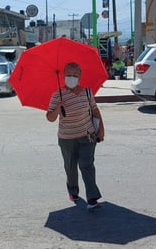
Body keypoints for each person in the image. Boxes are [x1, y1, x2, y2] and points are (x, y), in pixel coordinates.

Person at [46, 62, 105, 211]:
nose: (71, 78)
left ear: (80, 77)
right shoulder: (57, 95)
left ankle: (92, 199)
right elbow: (50, 118)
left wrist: (101, 130)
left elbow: (95, 110)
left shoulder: (87, 92)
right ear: (63, 76)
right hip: (66, 138)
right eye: (68, 75)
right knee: (70, 167)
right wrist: (58, 108)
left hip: (87, 136)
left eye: (75, 75)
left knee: (87, 166)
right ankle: (73, 191)